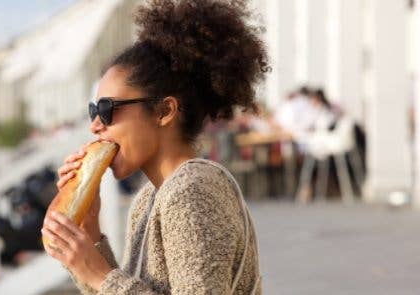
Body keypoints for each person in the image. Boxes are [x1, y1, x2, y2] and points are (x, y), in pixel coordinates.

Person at [41, 0, 266, 293]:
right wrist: (89, 226)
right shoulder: (150, 198)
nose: (96, 125)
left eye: (108, 109)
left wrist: (100, 275)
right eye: (93, 111)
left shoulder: (192, 190)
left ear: (164, 111)